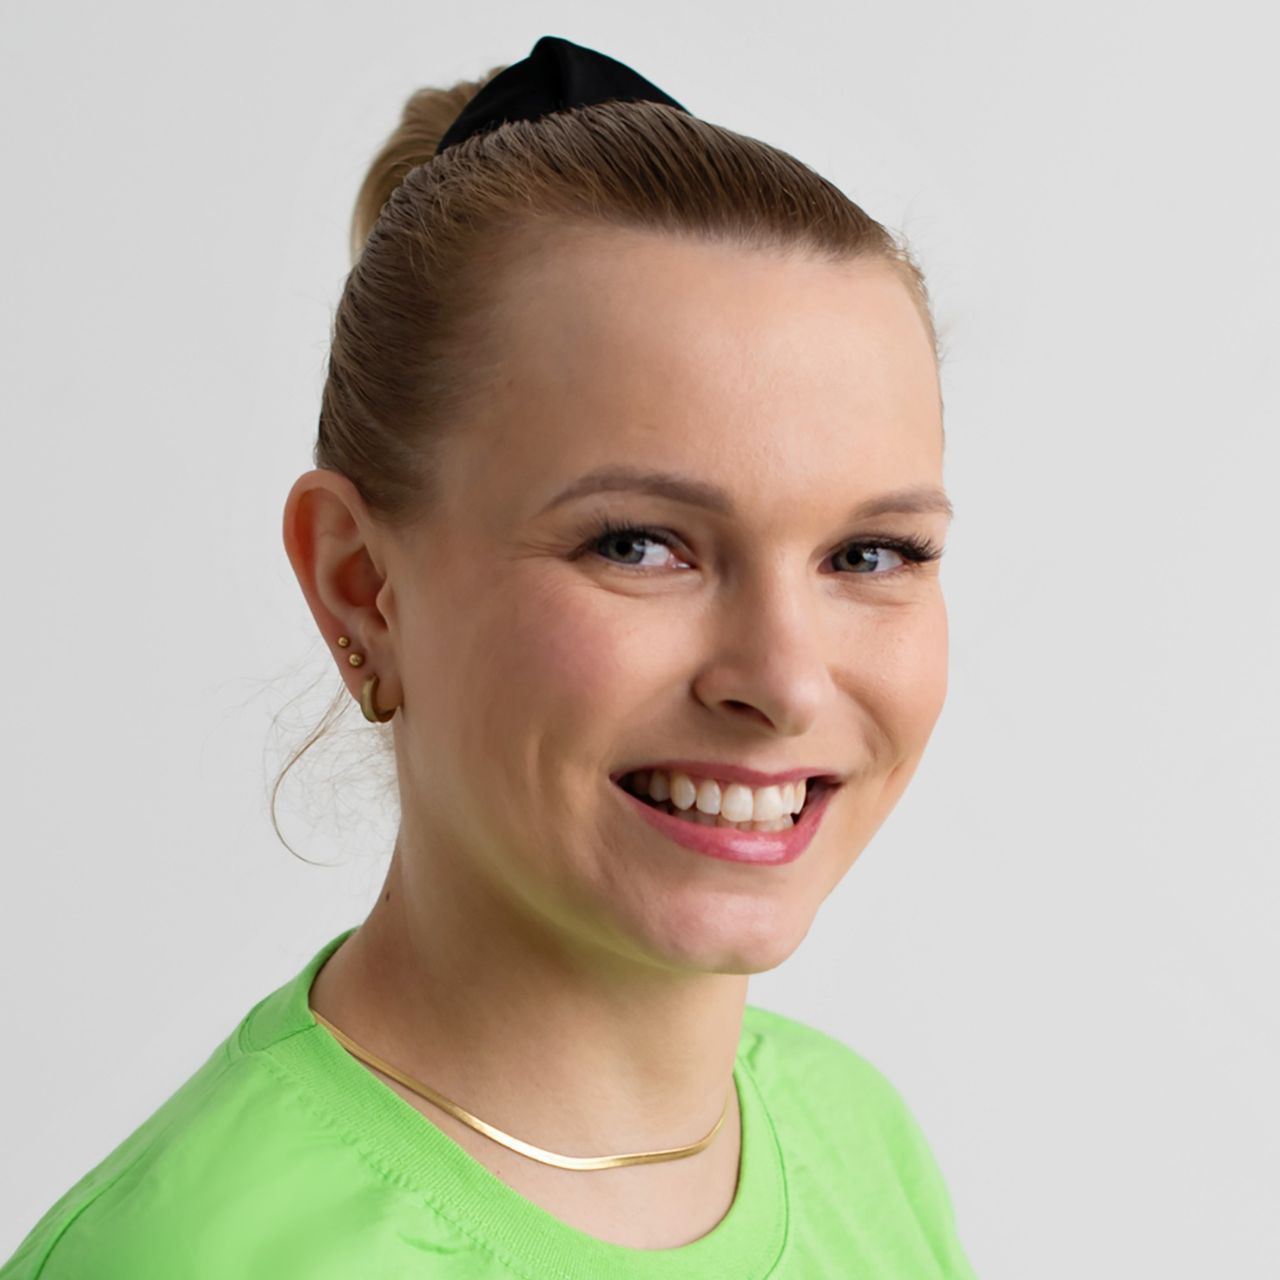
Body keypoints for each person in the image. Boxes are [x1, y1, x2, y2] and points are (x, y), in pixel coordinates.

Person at [2, 35, 977, 1278]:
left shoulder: (853, 1138)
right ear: (361, 585)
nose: (782, 680)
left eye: (871, 553)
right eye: (638, 544)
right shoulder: (193, 1256)